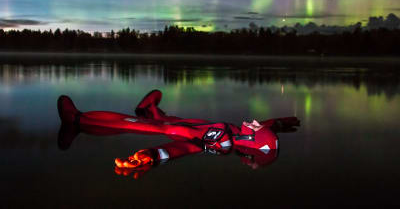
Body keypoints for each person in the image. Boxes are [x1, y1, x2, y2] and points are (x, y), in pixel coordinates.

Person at [58, 90, 300, 178]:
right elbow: (262, 136)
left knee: (126, 122)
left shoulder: (222, 142)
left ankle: (77, 118)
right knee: (153, 103)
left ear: (251, 140)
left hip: (166, 128)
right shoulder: (236, 133)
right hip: (172, 121)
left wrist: (153, 155)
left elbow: (187, 148)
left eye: (258, 127)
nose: (256, 121)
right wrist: (277, 123)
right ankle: (147, 110)